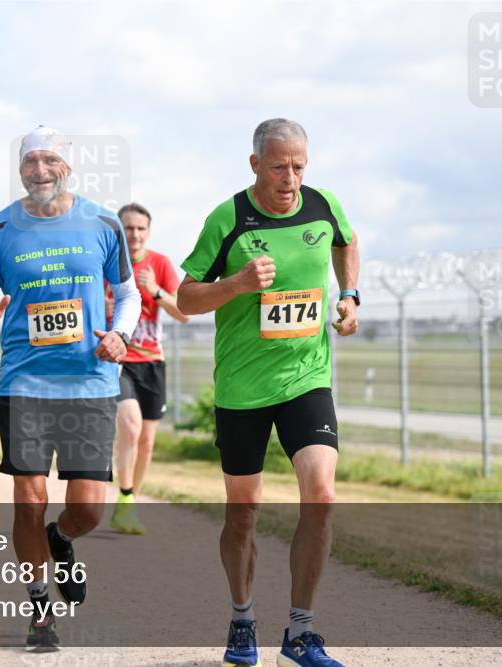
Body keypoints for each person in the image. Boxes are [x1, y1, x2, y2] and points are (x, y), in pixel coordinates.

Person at [176, 119, 359, 667]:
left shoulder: (322, 204)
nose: (291, 178)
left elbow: (347, 243)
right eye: (279, 166)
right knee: (244, 514)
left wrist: (350, 297)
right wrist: (235, 285)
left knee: (321, 496)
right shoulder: (227, 218)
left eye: (300, 165)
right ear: (255, 164)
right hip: (242, 388)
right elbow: (186, 298)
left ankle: (301, 633)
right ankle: (242, 618)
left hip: (306, 377)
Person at [0, 126, 140, 652]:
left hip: (90, 382)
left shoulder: (102, 222)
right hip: (25, 383)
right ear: (20, 170)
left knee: (87, 510)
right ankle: (40, 608)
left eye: (48, 161)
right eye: (30, 162)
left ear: (68, 167)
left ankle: (62, 541)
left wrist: (121, 336)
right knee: (28, 500)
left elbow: (126, 294)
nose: (39, 170)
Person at [108, 202, 190, 535]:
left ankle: (129, 504)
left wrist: (155, 290)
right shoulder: (106, 264)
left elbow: (184, 313)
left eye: (141, 228)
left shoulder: (159, 264)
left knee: (147, 442)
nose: (135, 234)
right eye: (128, 228)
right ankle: (125, 495)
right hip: (119, 360)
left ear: (149, 231)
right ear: (119, 230)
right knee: (130, 426)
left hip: (153, 362)